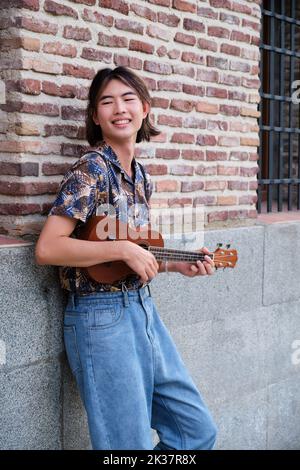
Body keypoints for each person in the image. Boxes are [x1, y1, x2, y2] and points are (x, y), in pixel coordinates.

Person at [35, 66, 218, 450]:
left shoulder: (141, 176)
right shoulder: (92, 169)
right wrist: (120, 248)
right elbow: (48, 248)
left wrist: (173, 265)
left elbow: (131, 254)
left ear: (145, 109)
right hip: (99, 318)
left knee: (195, 432)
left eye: (128, 98)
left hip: (142, 309)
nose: (119, 108)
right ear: (95, 115)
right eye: (107, 101)